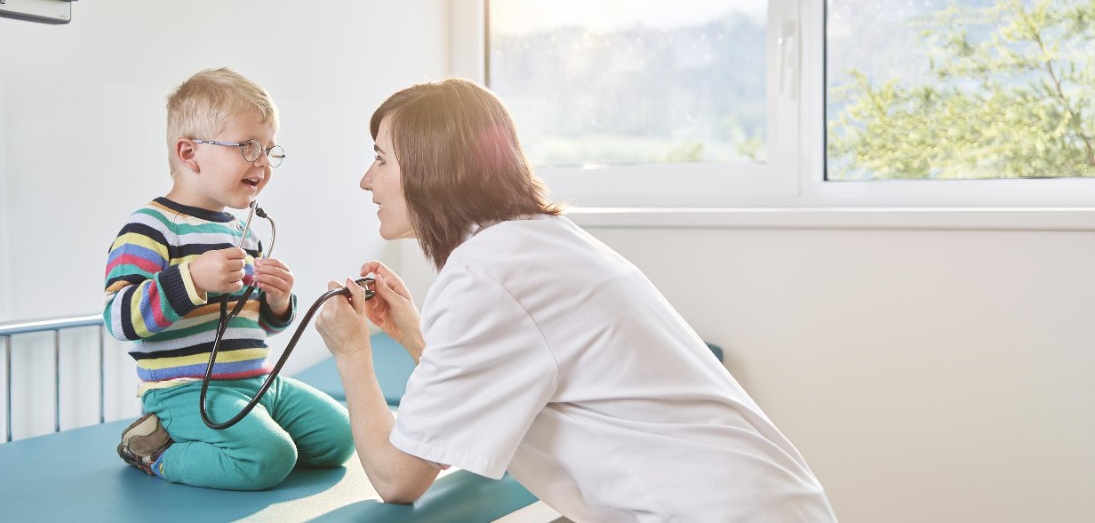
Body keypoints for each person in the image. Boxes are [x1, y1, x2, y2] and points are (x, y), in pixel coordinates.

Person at [315, 78, 837, 522]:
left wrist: (351, 352)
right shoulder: (537, 241)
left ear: (432, 168)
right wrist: (412, 335)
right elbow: (500, 385)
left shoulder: (484, 274)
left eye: (380, 159)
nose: (367, 180)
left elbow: (398, 477)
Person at [104, 67, 353, 490]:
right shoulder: (150, 228)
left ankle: (242, 435)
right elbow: (119, 318)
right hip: (185, 392)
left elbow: (254, 326)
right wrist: (192, 279)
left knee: (341, 438)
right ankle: (155, 450)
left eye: (269, 149)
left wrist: (278, 303)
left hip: (257, 382)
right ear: (189, 153)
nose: (263, 162)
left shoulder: (245, 232)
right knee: (269, 457)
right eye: (248, 146)